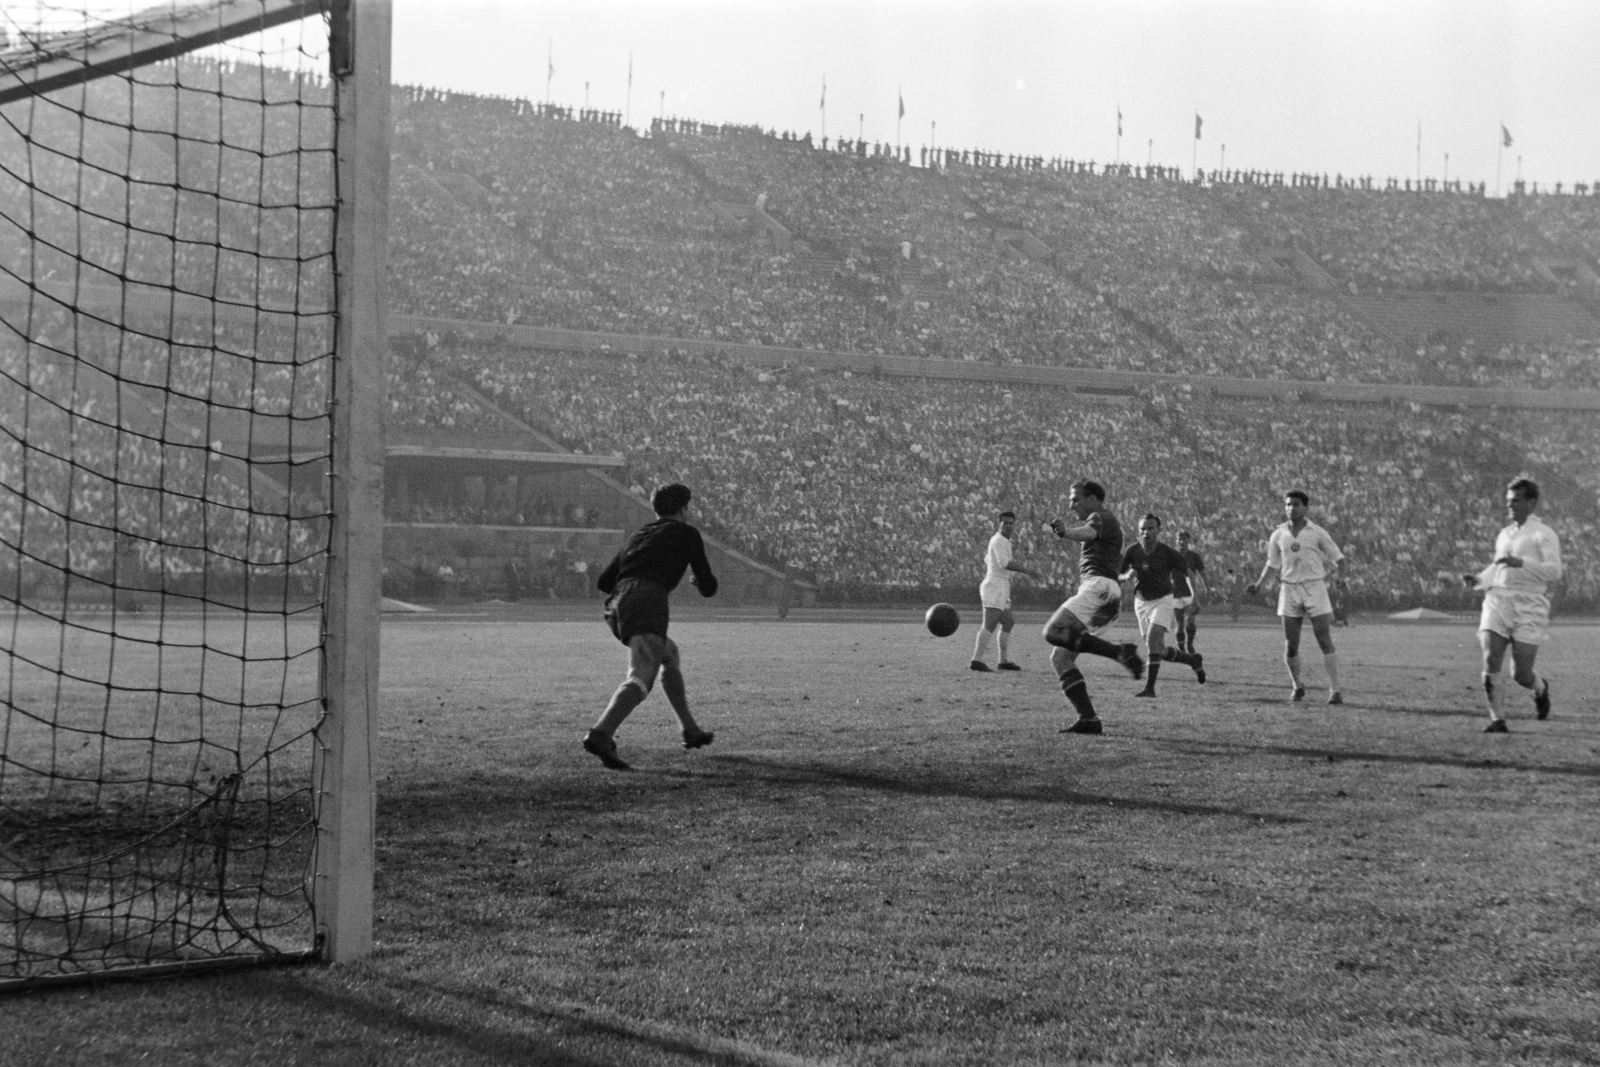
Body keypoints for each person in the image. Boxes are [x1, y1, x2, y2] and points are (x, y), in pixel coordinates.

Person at [582, 483, 719, 770]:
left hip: (617, 601)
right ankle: (601, 734)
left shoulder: (639, 534)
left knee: (669, 653)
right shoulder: (686, 532)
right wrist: (697, 581)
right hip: (647, 598)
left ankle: (690, 729)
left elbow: (604, 582)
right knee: (642, 674)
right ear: (683, 509)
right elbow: (708, 586)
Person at [1041, 480, 1146, 735]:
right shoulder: (1108, 522)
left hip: (1098, 588)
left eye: (1075, 499)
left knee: (1053, 631)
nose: (1071, 504)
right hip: (1106, 592)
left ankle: (1120, 652)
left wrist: (1065, 533)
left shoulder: (1100, 517)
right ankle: (1089, 719)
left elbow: (1088, 533)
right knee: (1061, 657)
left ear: (1092, 499)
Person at [1461, 477, 1560, 733]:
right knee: (1490, 656)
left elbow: (1554, 572)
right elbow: (1498, 566)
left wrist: (1522, 563)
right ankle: (1497, 719)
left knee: (1521, 674)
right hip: (1498, 600)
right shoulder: (1505, 533)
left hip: (1530, 604)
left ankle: (1540, 688)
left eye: (1515, 501)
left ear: (1531, 502)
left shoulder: (1543, 534)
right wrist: (1480, 579)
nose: (1510, 506)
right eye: (1508, 501)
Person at [1248, 490, 1348, 704]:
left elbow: (1339, 559)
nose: (1291, 508)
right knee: (1290, 644)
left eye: (1295, 504)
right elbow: (1272, 564)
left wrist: (1341, 579)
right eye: (1288, 505)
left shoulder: (1317, 532)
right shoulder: (1278, 534)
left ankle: (1336, 690)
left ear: (1305, 507)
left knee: (1324, 639)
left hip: (1314, 588)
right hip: (1289, 590)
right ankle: (1297, 686)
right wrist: (1259, 584)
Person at [1118, 514, 1206, 697]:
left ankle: (1149, 689)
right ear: (1138, 531)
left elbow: (1189, 572)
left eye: (1150, 528)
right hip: (1141, 602)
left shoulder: (1167, 552)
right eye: (1143, 528)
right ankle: (1192, 660)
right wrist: (1125, 576)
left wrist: (1195, 598)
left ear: (1158, 531)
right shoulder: (1132, 551)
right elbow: (1119, 574)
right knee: (1158, 649)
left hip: (1163, 600)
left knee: (1152, 642)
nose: (1146, 532)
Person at [971, 509, 1042, 671]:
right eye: (1005, 523)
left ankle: (1003, 661)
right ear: (999, 524)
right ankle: (976, 660)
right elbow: (1004, 563)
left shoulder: (1003, 541)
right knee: (989, 623)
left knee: (1008, 622)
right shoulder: (998, 540)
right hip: (995, 585)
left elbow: (988, 559)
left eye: (1011, 523)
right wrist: (1027, 570)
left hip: (1001, 584)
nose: (1009, 526)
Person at [1171, 529, 1209, 653]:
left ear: (1188, 541)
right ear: (1176, 541)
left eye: (1184, 539)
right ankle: (1181, 649)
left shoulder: (1194, 556)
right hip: (1175, 593)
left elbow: (1203, 574)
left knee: (1191, 621)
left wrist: (1207, 588)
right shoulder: (1171, 555)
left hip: (1190, 593)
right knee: (1179, 624)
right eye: (1179, 539)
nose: (1182, 542)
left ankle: (1190, 645)